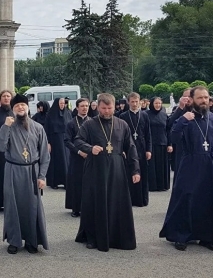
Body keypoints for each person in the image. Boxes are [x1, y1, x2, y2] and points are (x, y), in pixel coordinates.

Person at [159, 86, 213, 252]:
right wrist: (183, 120)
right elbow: (173, 138)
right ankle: (181, 236)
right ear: (192, 100)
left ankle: (207, 237)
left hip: (209, 165)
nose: (204, 101)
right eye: (200, 98)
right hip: (189, 163)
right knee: (186, 199)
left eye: (206, 97)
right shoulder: (186, 118)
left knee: (208, 200)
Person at [73, 94, 139, 251]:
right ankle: (93, 237)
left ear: (114, 106)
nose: (107, 111)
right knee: (95, 202)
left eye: (109, 108)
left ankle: (117, 237)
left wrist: (135, 169)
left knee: (117, 202)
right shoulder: (90, 124)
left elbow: (130, 148)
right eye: (103, 108)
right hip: (96, 168)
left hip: (117, 169)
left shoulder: (122, 124)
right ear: (98, 107)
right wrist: (90, 148)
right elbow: (77, 140)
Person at [0, 94, 50, 254]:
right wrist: (5, 127)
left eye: (23, 105)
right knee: (13, 206)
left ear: (27, 107)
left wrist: (42, 176)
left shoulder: (38, 128)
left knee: (32, 206)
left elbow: (45, 156)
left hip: (32, 171)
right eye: (17, 106)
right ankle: (14, 240)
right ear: (12, 109)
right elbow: (0, 147)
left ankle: (32, 240)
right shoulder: (7, 126)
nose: (20, 107)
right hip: (13, 170)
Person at [120, 92, 152, 207]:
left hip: (142, 147)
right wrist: (122, 149)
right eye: (132, 102)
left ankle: (142, 199)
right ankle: (130, 199)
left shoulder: (144, 115)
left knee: (142, 172)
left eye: (136, 101)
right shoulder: (123, 116)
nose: (134, 104)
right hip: (128, 148)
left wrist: (149, 150)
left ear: (140, 102)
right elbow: (120, 135)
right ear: (128, 102)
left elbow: (148, 134)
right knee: (130, 173)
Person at [64, 98, 90, 217]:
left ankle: (90, 207)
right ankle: (76, 208)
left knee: (90, 183)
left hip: (90, 157)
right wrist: (79, 151)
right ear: (77, 108)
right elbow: (67, 141)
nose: (85, 108)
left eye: (86, 106)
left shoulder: (92, 122)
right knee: (77, 183)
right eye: (82, 106)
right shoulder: (71, 123)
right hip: (76, 157)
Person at [44, 98, 70, 189]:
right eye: (61, 103)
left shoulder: (68, 113)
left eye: (64, 103)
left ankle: (66, 182)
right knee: (56, 161)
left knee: (66, 161)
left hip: (66, 141)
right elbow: (46, 129)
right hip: (54, 141)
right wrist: (48, 142)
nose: (62, 105)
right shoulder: (50, 114)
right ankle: (54, 182)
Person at [146, 97, 170, 192]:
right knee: (151, 166)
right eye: (156, 103)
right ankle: (152, 186)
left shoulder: (164, 115)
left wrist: (170, 144)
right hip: (151, 143)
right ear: (152, 104)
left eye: (159, 103)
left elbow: (168, 130)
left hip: (163, 143)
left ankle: (162, 185)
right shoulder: (146, 114)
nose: (158, 105)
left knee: (161, 165)